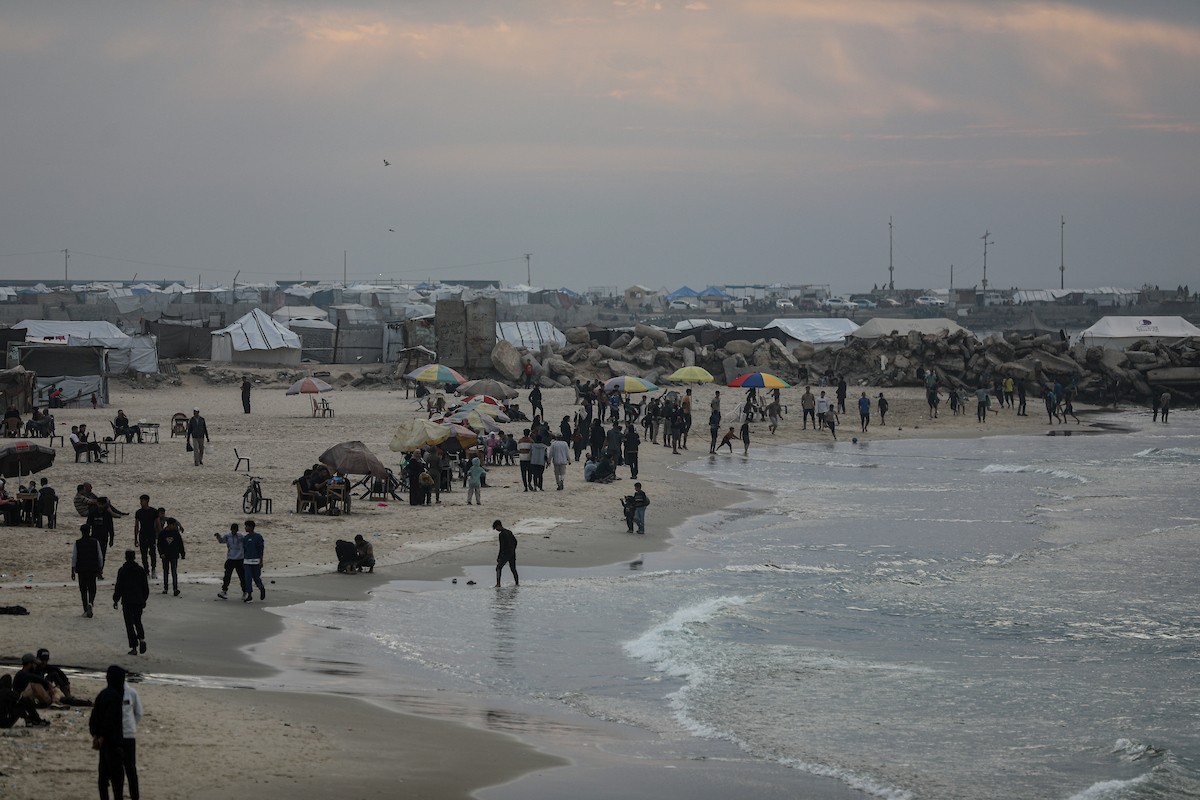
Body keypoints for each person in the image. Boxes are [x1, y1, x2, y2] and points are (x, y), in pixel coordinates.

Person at [89, 665, 127, 800]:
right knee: (117, 780)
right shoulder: (116, 697)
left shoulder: (102, 694)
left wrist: (95, 735)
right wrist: (103, 736)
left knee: (103, 779)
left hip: (102, 745)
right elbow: (109, 719)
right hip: (113, 743)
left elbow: (93, 718)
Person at [113, 550, 149, 655]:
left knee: (129, 624)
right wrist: (144, 599)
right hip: (138, 600)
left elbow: (118, 587)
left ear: (126, 557)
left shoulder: (122, 570)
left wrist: (115, 599)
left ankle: (134, 647)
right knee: (138, 621)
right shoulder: (140, 570)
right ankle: (141, 639)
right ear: (134, 557)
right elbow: (145, 587)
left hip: (127, 600)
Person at [119, 672, 144, 800]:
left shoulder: (131, 693)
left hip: (127, 735)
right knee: (126, 768)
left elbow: (138, 713)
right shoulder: (109, 694)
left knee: (128, 768)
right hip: (117, 735)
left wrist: (131, 726)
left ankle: (134, 796)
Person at [72, 523, 104, 617]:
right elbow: (100, 557)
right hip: (92, 568)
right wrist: (100, 568)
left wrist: (72, 571)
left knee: (83, 590)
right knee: (92, 588)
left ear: (81, 532)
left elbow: (74, 557)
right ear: (89, 531)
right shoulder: (95, 542)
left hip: (81, 569)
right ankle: (91, 602)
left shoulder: (77, 543)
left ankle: (85, 608)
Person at [215, 522, 247, 600]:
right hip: (230, 559)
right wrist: (218, 536)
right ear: (231, 529)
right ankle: (224, 591)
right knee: (227, 576)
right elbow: (221, 541)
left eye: (235, 529)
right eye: (233, 529)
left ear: (237, 529)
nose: (234, 531)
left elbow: (247, 543)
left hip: (240, 559)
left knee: (242, 577)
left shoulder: (241, 536)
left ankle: (245, 592)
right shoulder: (228, 536)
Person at [157, 517, 186, 596]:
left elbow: (180, 544)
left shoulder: (176, 533)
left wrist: (182, 553)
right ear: (169, 525)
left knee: (174, 572)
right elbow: (159, 545)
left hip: (174, 555)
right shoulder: (162, 533)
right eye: (173, 525)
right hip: (165, 556)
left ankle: (175, 589)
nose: (175, 526)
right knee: (166, 572)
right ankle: (165, 588)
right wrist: (161, 553)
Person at [132, 495, 158, 579]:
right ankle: (146, 571)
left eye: (142, 501)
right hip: (142, 535)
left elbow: (157, 524)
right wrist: (135, 539)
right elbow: (136, 526)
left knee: (153, 553)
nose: (140, 503)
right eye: (140, 501)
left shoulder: (154, 511)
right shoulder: (139, 512)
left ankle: (153, 569)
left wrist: (160, 536)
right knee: (144, 554)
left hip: (151, 535)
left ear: (147, 501)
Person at [242, 519, 266, 602]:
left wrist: (261, 560)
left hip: (256, 561)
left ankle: (261, 588)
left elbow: (261, 549)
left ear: (251, 527)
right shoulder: (245, 538)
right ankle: (249, 595)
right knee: (247, 578)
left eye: (247, 526)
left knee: (256, 578)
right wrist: (243, 561)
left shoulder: (258, 537)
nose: (245, 528)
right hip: (247, 561)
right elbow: (244, 550)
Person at [493, 519, 518, 587]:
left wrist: (499, 557)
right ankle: (517, 583)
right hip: (512, 553)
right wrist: (513, 549)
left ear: (498, 526)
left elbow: (502, 546)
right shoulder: (509, 532)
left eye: (496, 528)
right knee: (513, 569)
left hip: (506, 554)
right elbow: (515, 542)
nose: (496, 530)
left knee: (498, 568)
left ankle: (498, 584)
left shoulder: (501, 534)